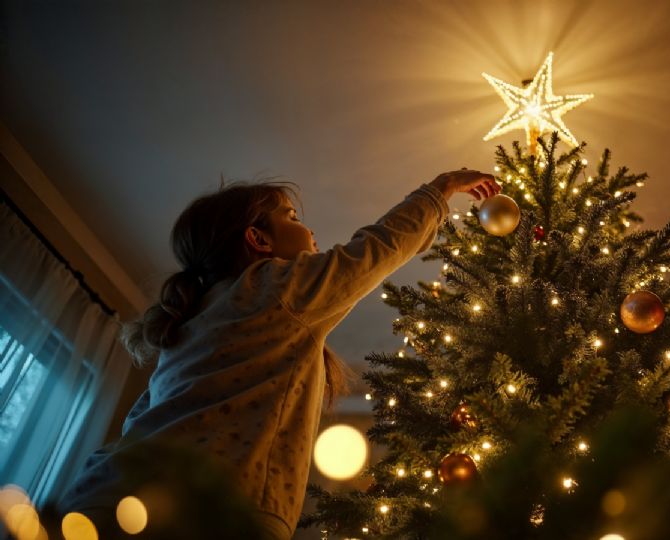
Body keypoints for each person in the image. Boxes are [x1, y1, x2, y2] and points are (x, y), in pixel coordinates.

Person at [55, 169, 501, 539]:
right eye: (292, 216)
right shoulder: (275, 286)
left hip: (102, 494)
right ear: (259, 240)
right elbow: (375, 250)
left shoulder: (192, 319)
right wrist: (439, 191)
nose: (309, 229)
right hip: (212, 510)